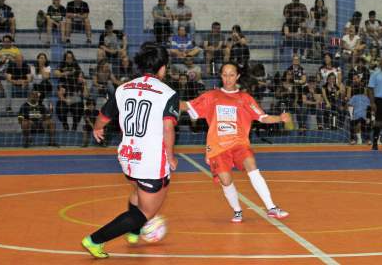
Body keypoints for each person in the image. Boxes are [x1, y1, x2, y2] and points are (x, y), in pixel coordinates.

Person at [81, 42, 180, 258]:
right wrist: (171, 156)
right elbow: (167, 127)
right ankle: (95, 240)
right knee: (146, 212)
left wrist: (97, 128)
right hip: (150, 160)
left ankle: (134, 234)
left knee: (137, 191)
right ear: (162, 67)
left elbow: (104, 115)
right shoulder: (167, 93)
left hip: (127, 155)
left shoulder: (123, 88)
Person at [183, 63, 292, 223]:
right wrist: (167, 102)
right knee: (226, 181)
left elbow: (262, 117)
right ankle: (237, 210)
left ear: (238, 76)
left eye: (231, 75)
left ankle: (271, 208)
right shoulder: (211, 96)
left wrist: (279, 118)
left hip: (239, 143)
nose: (228, 78)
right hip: (218, 146)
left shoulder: (245, 98)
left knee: (252, 165)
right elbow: (189, 106)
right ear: (220, 76)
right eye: (225, 75)